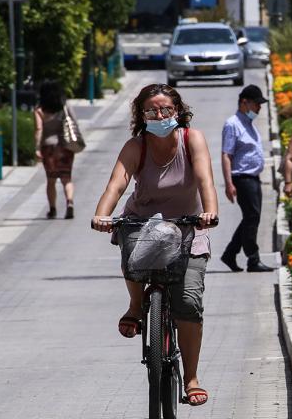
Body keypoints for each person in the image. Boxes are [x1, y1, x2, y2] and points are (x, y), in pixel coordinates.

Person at [91, 83, 218, 406]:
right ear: (141, 115)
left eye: (166, 110)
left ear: (178, 111)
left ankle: (191, 378)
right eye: (151, 111)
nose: (160, 116)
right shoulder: (136, 147)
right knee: (133, 256)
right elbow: (116, 184)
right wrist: (102, 214)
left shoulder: (191, 139)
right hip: (143, 223)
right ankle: (136, 306)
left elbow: (205, 180)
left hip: (188, 226)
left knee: (188, 302)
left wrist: (209, 212)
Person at [220, 85, 274, 273]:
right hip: (242, 178)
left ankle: (230, 253)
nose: (259, 108)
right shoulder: (232, 124)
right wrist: (228, 183)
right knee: (252, 217)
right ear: (245, 102)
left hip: (253, 177)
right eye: (256, 104)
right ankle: (253, 258)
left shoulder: (248, 123)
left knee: (252, 217)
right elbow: (226, 155)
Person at [33, 80, 78, 219]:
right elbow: (74, 122)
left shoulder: (39, 110)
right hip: (65, 147)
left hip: (48, 148)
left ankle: (52, 209)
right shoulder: (65, 106)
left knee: (51, 180)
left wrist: (37, 148)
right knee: (66, 178)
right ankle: (69, 202)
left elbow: (39, 129)